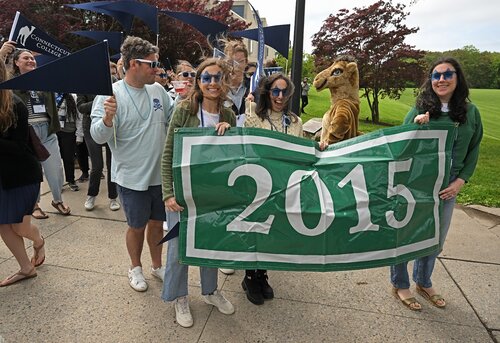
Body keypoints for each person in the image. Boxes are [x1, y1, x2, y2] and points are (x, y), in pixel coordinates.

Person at [390, 57, 483, 310]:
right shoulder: (420, 107)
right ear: (430, 81)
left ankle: (423, 281)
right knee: (406, 233)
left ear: (457, 78)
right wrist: (416, 125)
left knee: (435, 238)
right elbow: (399, 142)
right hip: (416, 185)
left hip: (447, 188)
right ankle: (400, 284)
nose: (441, 79)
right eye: (436, 75)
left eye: (447, 74)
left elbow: (473, 149)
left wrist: (461, 181)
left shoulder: (470, 112)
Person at [91, 36, 174, 292]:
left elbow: (173, 119)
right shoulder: (110, 94)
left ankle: (157, 265)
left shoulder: (158, 90)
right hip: (132, 177)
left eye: (156, 63)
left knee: (156, 225)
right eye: (152, 64)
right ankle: (135, 267)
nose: (157, 68)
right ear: (131, 64)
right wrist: (107, 118)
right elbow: (96, 136)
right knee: (136, 226)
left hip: (161, 177)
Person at [161, 58, 236, 328]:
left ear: (223, 81)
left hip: (213, 193)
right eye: (207, 78)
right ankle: (179, 297)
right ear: (199, 82)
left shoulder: (228, 114)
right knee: (179, 248)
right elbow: (169, 151)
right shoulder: (184, 109)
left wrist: (229, 133)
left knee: (211, 243)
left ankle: (210, 291)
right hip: (183, 193)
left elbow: (234, 154)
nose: (212, 83)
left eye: (217, 78)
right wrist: (168, 193)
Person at [242, 73, 303, 305]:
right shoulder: (254, 118)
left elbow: (302, 150)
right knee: (255, 229)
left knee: (271, 231)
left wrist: (319, 146)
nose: (280, 96)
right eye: (275, 91)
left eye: (284, 92)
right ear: (267, 92)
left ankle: (262, 274)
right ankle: (249, 275)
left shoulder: (295, 122)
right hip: (257, 185)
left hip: (282, 186)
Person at [0, 59, 45, 286]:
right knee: (3, 226)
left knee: (18, 226)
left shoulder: (14, 104)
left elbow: (18, 148)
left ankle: (38, 241)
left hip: (23, 174)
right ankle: (26, 268)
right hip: (3, 175)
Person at [12, 49, 70, 218]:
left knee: (56, 169)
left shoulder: (43, 80)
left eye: (32, 58)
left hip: (47, 130)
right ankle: (35, 204)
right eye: (26, 58)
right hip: (27, 133)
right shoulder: (12, 82)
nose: (31, 60)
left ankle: (57, 200)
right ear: (16, 62)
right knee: (34, 171)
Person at [77, 93, 120, 211]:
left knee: (112, 164)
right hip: (91, 127)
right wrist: (99, 102)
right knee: (97, 166)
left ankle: (113, 197)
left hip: (110, 125)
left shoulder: (111, 84)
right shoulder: (84, 85)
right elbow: (80, 107)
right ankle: (91, 195)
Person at [55, 93, 83, 192]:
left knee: (68, 158)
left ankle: (71, 180)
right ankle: (58, 183)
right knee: (56, 160)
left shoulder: (73, 97)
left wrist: (79, 135)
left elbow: (79, 116)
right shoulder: (51, 96)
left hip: (69, 131)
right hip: (55, 131)